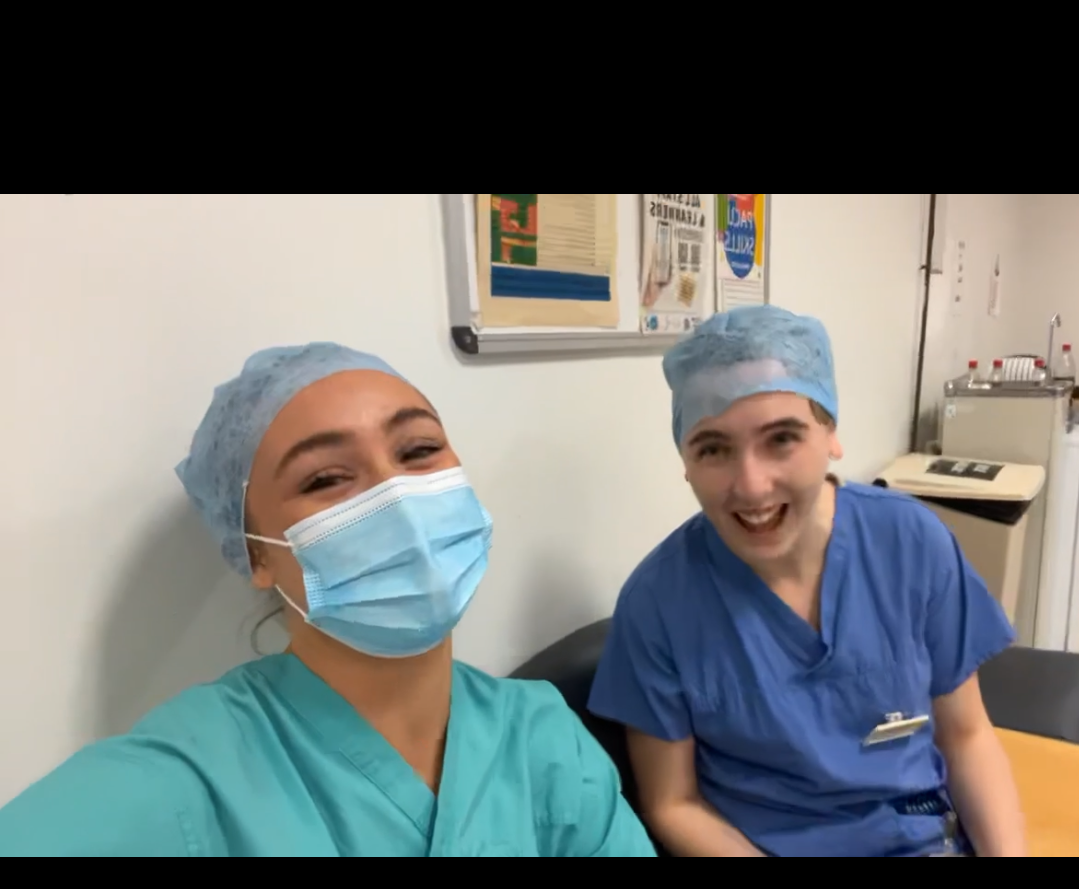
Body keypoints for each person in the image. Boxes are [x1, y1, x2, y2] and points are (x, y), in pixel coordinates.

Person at [0, 343, 655, 859]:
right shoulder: (189, 777)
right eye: (325, 479)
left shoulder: (539, 733)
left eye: (419, 450)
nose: (396, 496)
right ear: (255, 553)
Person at [589, 306, 1027, 858]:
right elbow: (673, 803)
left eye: (781, 439)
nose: (752, 485)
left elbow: (965, 736)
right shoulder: (659, 603)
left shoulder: (910, 542)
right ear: (685, 459)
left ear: (831, 433)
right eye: (714, 448)